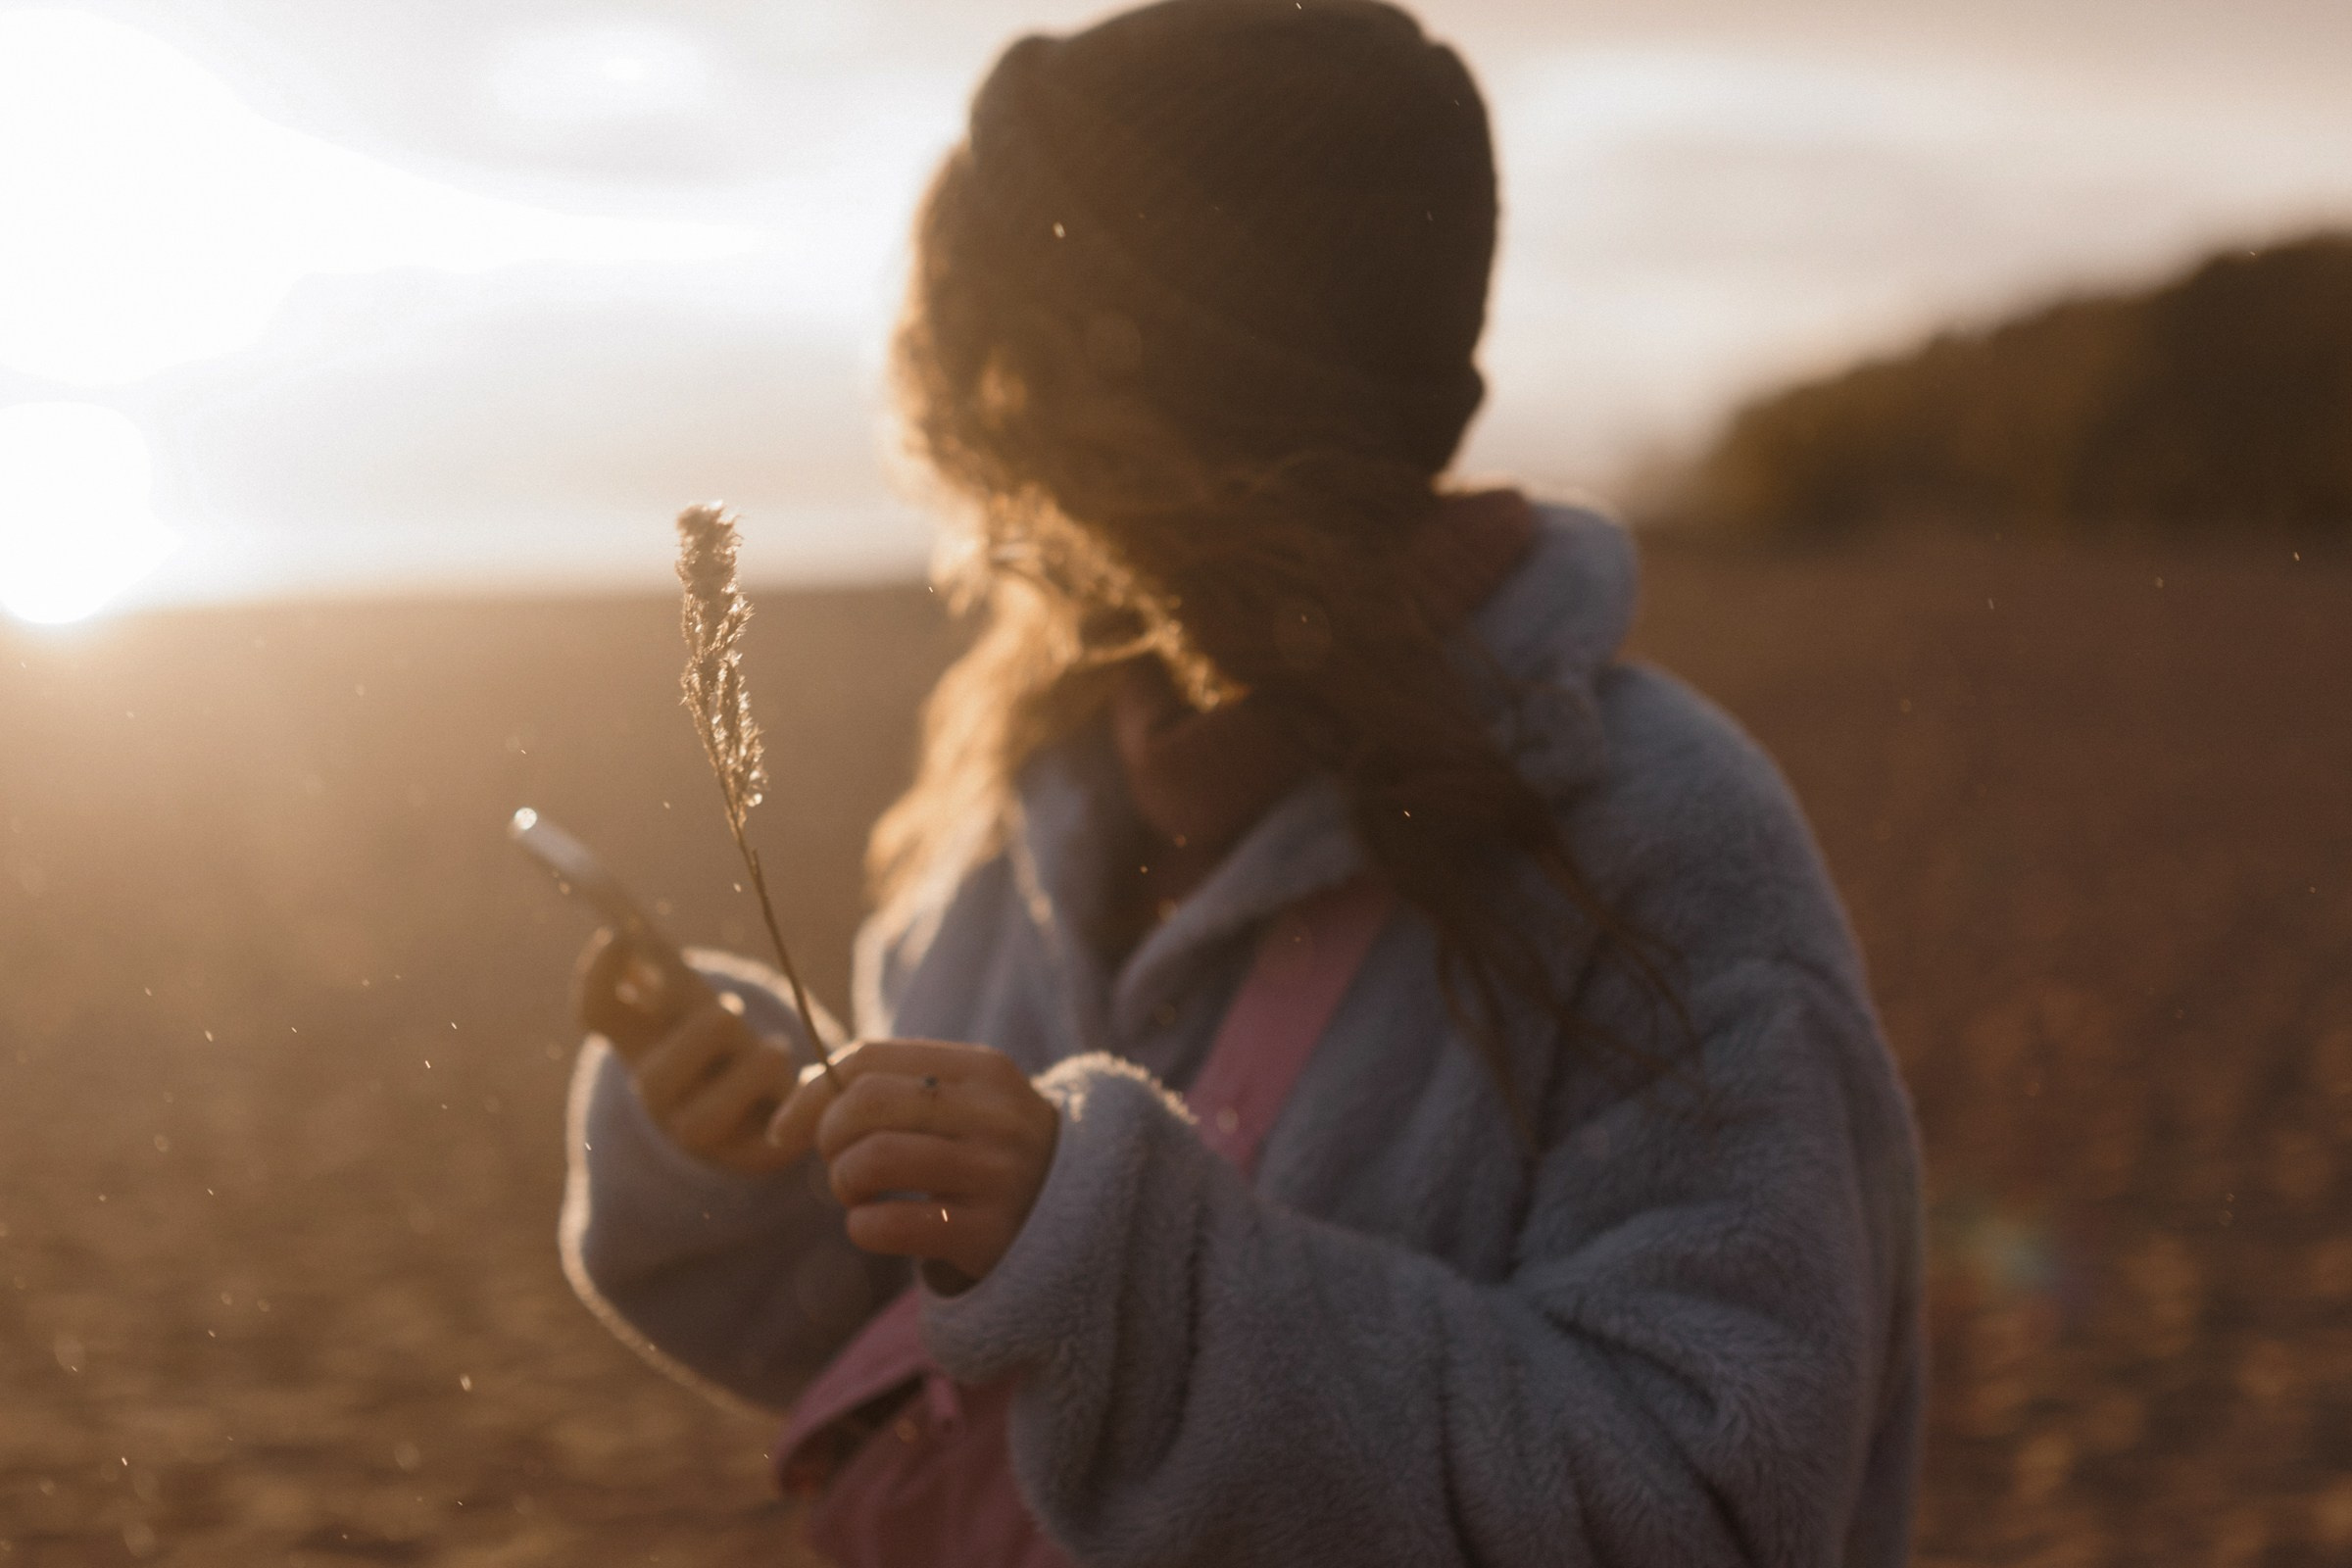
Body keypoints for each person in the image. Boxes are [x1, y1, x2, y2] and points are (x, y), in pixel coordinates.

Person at [559, 1, 1925, 1563]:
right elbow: (913, 1357)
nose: (980, 402)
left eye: (1022, 337)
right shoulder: (1049, 777)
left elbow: (1709, 1503)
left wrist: (1112, 1266)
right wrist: (766, 1157)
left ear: (1161, 377)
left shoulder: (1650, 835)